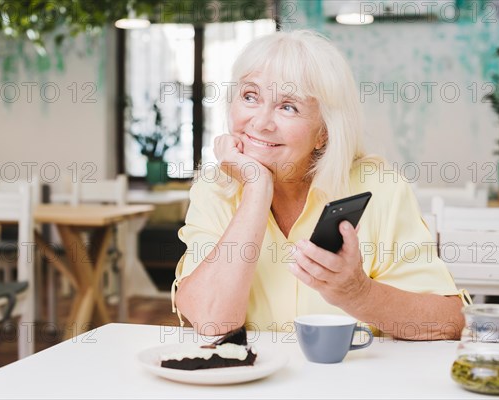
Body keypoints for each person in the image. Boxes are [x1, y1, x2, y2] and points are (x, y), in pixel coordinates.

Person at [171, 30, 467, 340]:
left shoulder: (381, 187)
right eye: (250, 97)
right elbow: (211, 321)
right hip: (253, 384)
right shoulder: (215, 188)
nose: (260, 123)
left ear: (324, 132)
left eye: (288, 107)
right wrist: (257, 190)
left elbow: (450, 322)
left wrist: (357, 293)